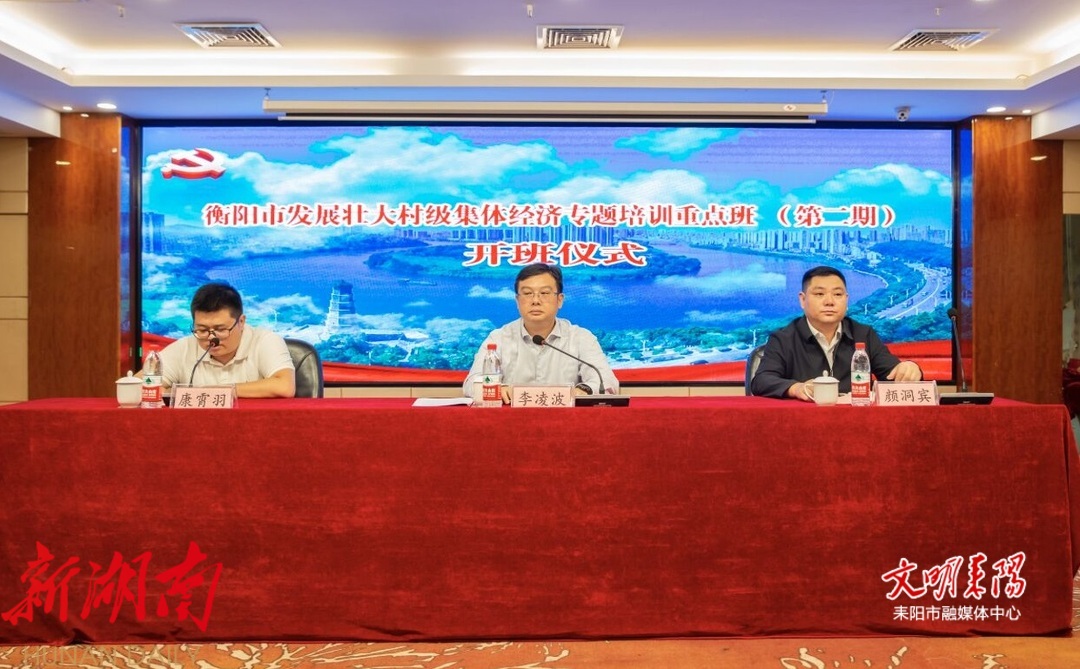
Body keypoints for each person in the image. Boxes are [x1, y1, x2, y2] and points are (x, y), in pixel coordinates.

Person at [750, 265, 922, 401]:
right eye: (819, 294)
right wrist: (797, 388)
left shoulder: (864, 334)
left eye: (838, 294)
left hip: (856, 421)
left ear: (846, 300)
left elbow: (893, 374)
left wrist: (910, 369)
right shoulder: (783, 338)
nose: (830, 301)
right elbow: (761, 381)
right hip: (804, 421)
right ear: (803, 300)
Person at [463, 263, 619, 403]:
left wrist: (585, 390)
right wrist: (498, 388)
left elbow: (607, 382)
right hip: (512, 421)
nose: (535, 301)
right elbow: (471, 383)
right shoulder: (498, 338)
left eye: (544, 293)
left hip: (566, 421)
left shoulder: (581, 338)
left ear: (560, 300)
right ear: (517, 301)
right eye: (527, 293)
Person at [157, 282, 296, 398]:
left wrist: (215, 391)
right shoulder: (184, 347)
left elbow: (284, 386)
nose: (211, 338)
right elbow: (146, 385)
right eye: (203, 330)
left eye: (221, 329)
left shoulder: (265, 341)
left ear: (241, 322)